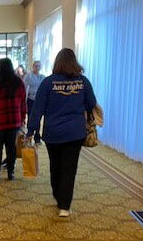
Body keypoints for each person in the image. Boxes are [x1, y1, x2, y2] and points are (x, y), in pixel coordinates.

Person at [27, 48, 96, 217]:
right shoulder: (83, 82)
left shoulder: (48, 82)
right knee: (69, 168)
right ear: (74, 62)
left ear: (57, 63)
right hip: (75, 133)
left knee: (55, 166)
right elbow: (91, 103)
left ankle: (59, 196)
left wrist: (30, 130)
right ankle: (64, 206)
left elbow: (37, 109)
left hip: (53, 133)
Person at [23, 60, 45, 144]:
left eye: (39, 66)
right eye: (36, 66)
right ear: (33, 67)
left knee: (38, 118)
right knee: (31, 117)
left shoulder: (42, 77)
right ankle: (30, 133)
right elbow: (24, 87)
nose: (37, 68)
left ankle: (37, 135)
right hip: (30, 99)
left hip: (39, 100)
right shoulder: (29, 76)